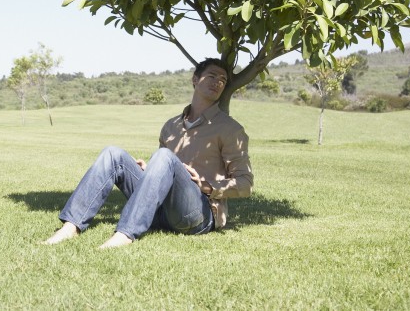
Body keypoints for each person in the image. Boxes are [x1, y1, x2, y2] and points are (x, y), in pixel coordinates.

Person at [43, 58, 253, 248]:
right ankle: (71, 227)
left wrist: (207, 186)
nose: (218, 82)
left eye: (223, 80)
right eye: (212, 76)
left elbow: (245, 184)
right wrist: (149, 170)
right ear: (195, 80)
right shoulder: (171, 125)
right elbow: (165, 168)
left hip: (198, 214)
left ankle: (125, 233)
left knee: (163, 157)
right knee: (112, 154)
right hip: (160, 211)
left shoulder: (230, 129)